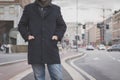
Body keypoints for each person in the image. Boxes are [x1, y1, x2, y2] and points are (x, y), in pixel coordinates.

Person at [18, 0, 67, 80]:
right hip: (35, 48)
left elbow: (62, 25)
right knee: (39, 77)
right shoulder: (29, 8)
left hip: (51, 48)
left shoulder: (55, 9)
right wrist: (27, 36)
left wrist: (57, 36)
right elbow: (21, 25)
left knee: (58, 77)